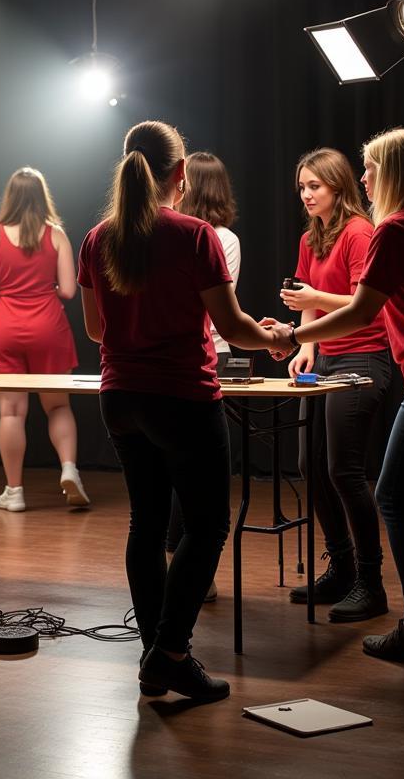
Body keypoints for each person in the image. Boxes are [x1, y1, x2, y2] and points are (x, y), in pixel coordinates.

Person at [78, 120, 294, 702]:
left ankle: (156, 657)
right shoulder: (194, 235)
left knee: (146, 526)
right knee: (207, 525)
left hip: (120, 399)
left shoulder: (98, 239)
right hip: (182, 398)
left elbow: (97, 329)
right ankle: (170, 652)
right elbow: (231, 327)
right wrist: (276, 340)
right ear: (179, 175)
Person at [264, 128, 404, 668]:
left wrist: (293, 337)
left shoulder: (393, 230)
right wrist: (307, 336)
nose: (363, 178)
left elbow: (363, 312)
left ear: (390, 173)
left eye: (369, 169)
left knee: (393, 495)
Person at [280, 148, 393, 622]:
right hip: (326, 358)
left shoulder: (359, 232)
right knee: (312, 465)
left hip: (365, 358)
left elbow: (360, 302)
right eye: (302, 187)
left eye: (315, 186)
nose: (306, 194)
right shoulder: (313, 237)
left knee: (344, 471)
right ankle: (342, 567)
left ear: (338, 187)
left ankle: (371, 582)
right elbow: (308, 297)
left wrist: (311, 303)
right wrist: (305, 346)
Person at [0, 167, 87, 511]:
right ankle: (69, 468)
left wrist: (6, 290)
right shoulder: (57, 236)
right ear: (42, 196)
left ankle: (14, 491)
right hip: (49, 328)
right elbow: (68, 290)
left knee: (11, 411)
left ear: (10, 197)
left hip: (6, 329)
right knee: (59, 406)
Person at [165, 151, 241, 602]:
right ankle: (187, 572)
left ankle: (188, 571)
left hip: (208, 356)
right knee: (188, 473)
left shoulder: (218, 237)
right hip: (198, 357)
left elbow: (217, 311)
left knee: (189, 473)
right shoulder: (186, 234)